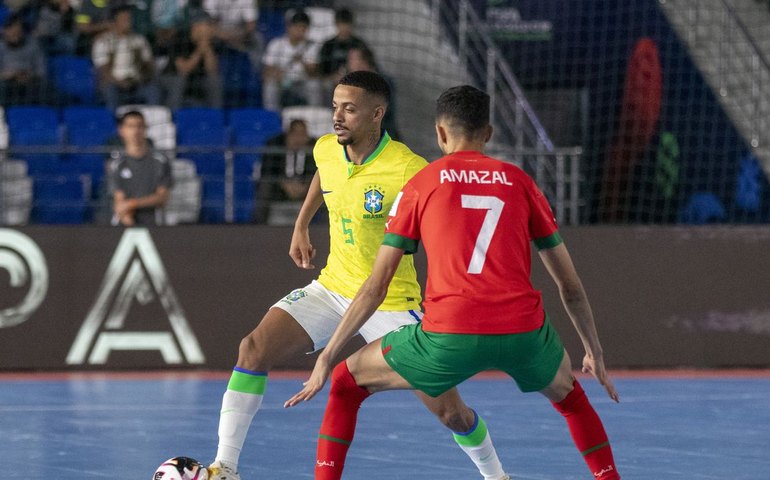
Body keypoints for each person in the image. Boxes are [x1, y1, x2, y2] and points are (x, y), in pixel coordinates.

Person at [285, 85, 622, 480]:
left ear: (440, 134)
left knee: (344, 384)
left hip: (449, 335)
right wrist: (593, 351)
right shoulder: (519, 181)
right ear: (489, 133)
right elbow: (571, 287)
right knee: (572, 401)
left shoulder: (422, 184)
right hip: (523, 333)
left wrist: (327, 356)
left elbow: (376, 286)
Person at [207, 72, 508, 480]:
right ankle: (224, 468)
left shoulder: (407, 168)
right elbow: (324, 174)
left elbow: (447, 226)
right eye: (335, 107)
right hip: (333, 288)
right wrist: (302, 223)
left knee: (450, 412)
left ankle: (496, 475)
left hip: (391, 303)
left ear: (376, 114)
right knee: (252, 349)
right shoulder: (327, 148)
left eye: (349, 109)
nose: (337, 116)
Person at [92, 5, 161, 111]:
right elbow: (103, 70)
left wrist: (143, 77)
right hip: (114, 84)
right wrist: (120, 82)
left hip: (137, 82)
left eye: (129, 19)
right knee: (110, 90)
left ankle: (152, 120)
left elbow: (149, 63)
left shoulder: (139, 40)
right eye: (124, 19)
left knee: (153, 90)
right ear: (115, 22)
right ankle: (113, 122)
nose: (128, 22)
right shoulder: (103, 41)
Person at [110, 110, 173, 226]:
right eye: (130, 126)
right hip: (126, 221)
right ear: (121, 130)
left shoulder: (160, 161)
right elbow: (119, 200)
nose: (135, 131)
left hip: (155, 222)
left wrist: (133, 203)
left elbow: (162, 197)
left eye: (139, 126)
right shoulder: (117, 164)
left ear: (145, 129)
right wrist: (128, 218)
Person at [256, 118, 317, 225]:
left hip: (306, 188)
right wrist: (284, 183)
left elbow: (317, 172)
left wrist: (306, 185)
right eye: (295, 134)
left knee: (324, 189)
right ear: (288, 135)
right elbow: (267, 171)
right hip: (279, 189)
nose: (299, 139)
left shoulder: (315, 147)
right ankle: (259, 226)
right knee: (264, 187)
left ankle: (322, 227)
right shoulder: (274, 145)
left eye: (302, 134)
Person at [261, 9, 322, 111]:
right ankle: (273, 117)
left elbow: (314, 72)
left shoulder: (312, 46)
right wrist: (277, 74)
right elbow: (266, 71)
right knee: (270, 86)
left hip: (302, 83)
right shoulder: (276, 44)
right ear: (289, 27)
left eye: (303, 27)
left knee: (314, 85)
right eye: (297, 26)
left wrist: (302, 61)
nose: (300, 30)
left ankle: (314, 115)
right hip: (282, 82)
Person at [159, 15, 223, 110]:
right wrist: (201, 48)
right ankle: (173, 114)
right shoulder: (180, 39)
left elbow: (212, 70)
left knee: (214, 80)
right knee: (180, 81)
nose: (209, 29)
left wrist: (207, 47)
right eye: (206, 25)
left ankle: (216, 115)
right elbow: (184, 69)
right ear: (195, 26)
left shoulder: (210, 42)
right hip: (171, 76)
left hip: (196, 79)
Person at [345, 45, 400, 139]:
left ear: (364, 62)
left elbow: (385, 112)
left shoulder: (382, 82)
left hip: (383, 137)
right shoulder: (352, 82)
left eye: (352, 60)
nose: (348, 64)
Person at [317, 7, 369, 101]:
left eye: (347, 24)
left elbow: (370, 66)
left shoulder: (359, 44)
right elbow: (320, 72)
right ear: (336, 24)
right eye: (342, 24)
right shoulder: (328, 45)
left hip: (355, 81)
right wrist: (333, 77)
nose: (345, 27)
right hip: (331, 82)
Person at [0, 13, 49, 106]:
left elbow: (41, 71)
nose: (15, 34)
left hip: (30, 82)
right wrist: (10, 75)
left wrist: (29, 75)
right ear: (5, 31)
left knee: (45, 88)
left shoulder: (33, 45)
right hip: (6, 83)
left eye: (18, 31)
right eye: (12, 31)